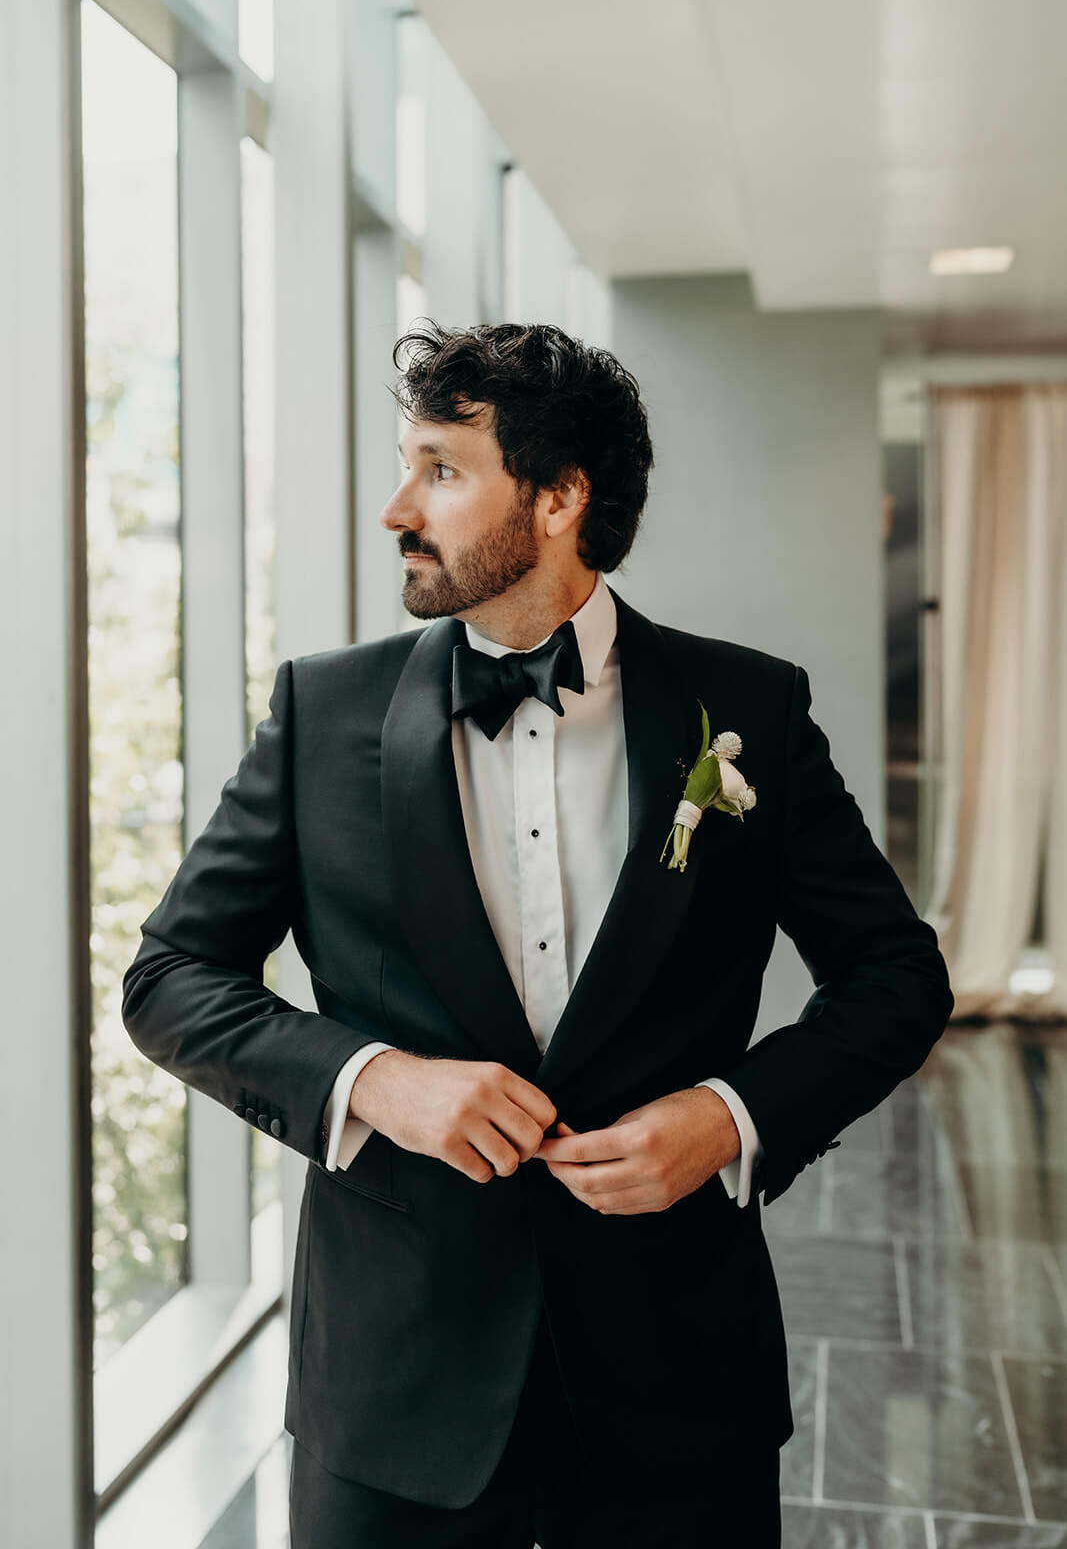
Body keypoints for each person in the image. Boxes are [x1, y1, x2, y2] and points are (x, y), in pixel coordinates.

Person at [121, 320, 954, 1548]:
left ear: (560, 496)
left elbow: (895, 976)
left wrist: (727, 1115)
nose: (400, 506)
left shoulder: (749, 711)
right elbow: (169, 977)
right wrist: (373, 1083)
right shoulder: (319, 710)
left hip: (677, 1381)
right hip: (392, 1395)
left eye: (442, 468)